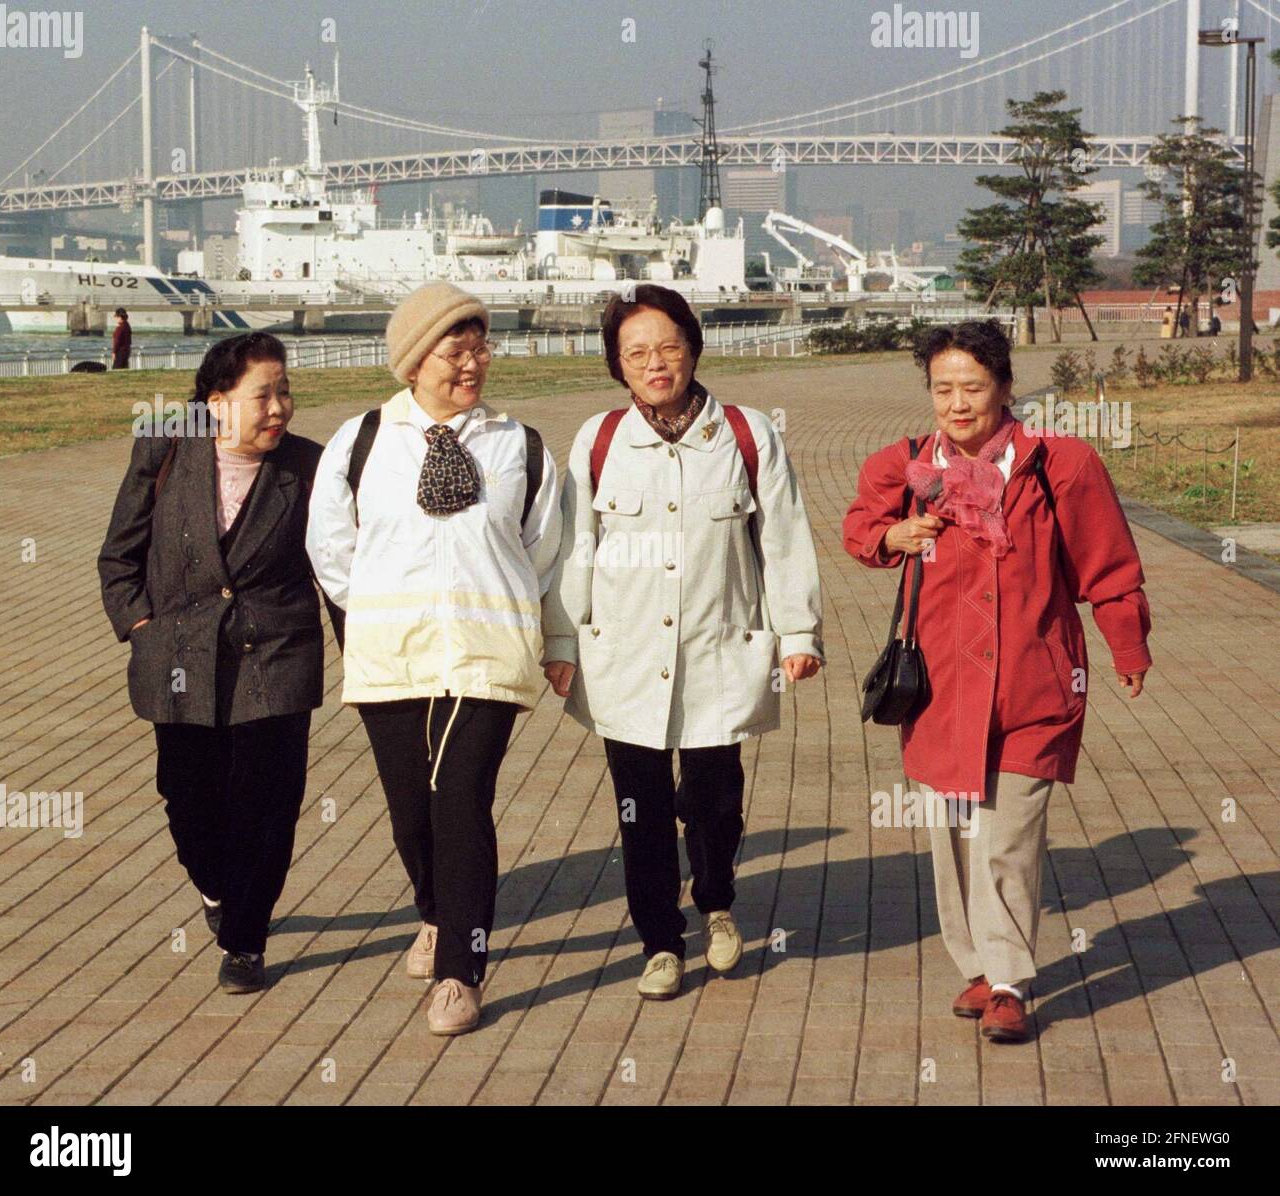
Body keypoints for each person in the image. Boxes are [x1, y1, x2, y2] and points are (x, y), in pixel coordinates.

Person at [843, 320, 1151, 1043]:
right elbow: (860, 526)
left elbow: (1108, 563)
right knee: (952, 837)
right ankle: (976, 967)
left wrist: (1127, 645)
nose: (957, 403)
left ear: (1005, 388)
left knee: (1008, 835)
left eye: (973, 387)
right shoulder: (908, 465)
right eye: (943, 388)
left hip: (1034, 684)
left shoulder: (1060, 465)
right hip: (940, 688)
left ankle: (1010, 980)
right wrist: (891, 536)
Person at [542, 284, 824, 1001]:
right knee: (637, 809)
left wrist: (799, 632)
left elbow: (784, 538)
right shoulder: (600, 441)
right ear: (616, 364)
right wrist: (562, 642)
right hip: (625, 660)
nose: (655, 362)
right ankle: (659, 944)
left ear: (694, 348)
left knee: (713, 797)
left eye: (668, 345)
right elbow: (577, 548)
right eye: (635, 352)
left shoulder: (748, 433)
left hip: (719, 650)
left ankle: (717, 902)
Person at [307, 282, 562, 1036]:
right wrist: (390, 612)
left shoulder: (520, 445)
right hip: (392, 657)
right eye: (456, 350)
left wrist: (540, 631)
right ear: (414, 360)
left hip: (488, 658)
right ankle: (434, 911)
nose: (472, 363)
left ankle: (461, 970)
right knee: (411, 810)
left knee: (460, 802)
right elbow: (332, 549)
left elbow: (545, 550)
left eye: (481, 346)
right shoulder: (359, 443)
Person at [98, 332, 324, 994]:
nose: (279, 407)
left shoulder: (307, 467)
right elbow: (120, 552)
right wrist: (139, 626)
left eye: (285, 391)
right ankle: (219, 886)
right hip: (179, 656)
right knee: (187, 796)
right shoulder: (165, 449)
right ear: (216, 403)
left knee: (269, 802)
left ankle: (246, 940)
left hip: (276, 655)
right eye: (264, 395)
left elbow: (337, 570)